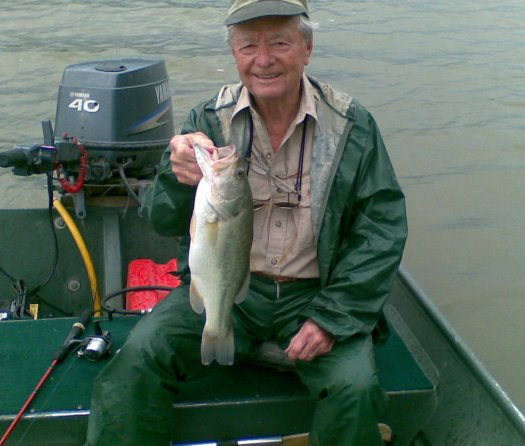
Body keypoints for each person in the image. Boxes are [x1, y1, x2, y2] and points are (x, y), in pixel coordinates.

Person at [85, 0, 407, 445]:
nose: (263, 59)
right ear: (235, 54)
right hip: (230, 289)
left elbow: (381, 230)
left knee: (355, 389)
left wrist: (332, 317)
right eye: (248, 45)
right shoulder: (207, 121)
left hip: (315, 296)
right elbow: (160, 218)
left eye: (279, 43)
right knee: (138, 359)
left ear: (307, 48)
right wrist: (178, 179)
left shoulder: (352, 125)